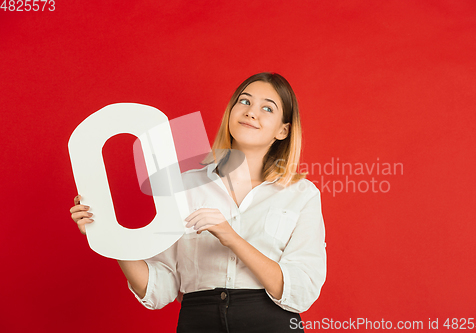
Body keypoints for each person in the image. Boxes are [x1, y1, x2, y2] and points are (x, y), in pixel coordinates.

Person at [70, 72, 327, 332]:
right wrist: (107, 234)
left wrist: (232, 238)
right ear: (231, 112)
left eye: (267, 108)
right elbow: (161, 287)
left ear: (283, 130)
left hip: (269, 323)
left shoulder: (301, 194)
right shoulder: (183, 186)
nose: (251, 112)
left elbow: (301, 290)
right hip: (199, 321)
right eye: (245, 102)